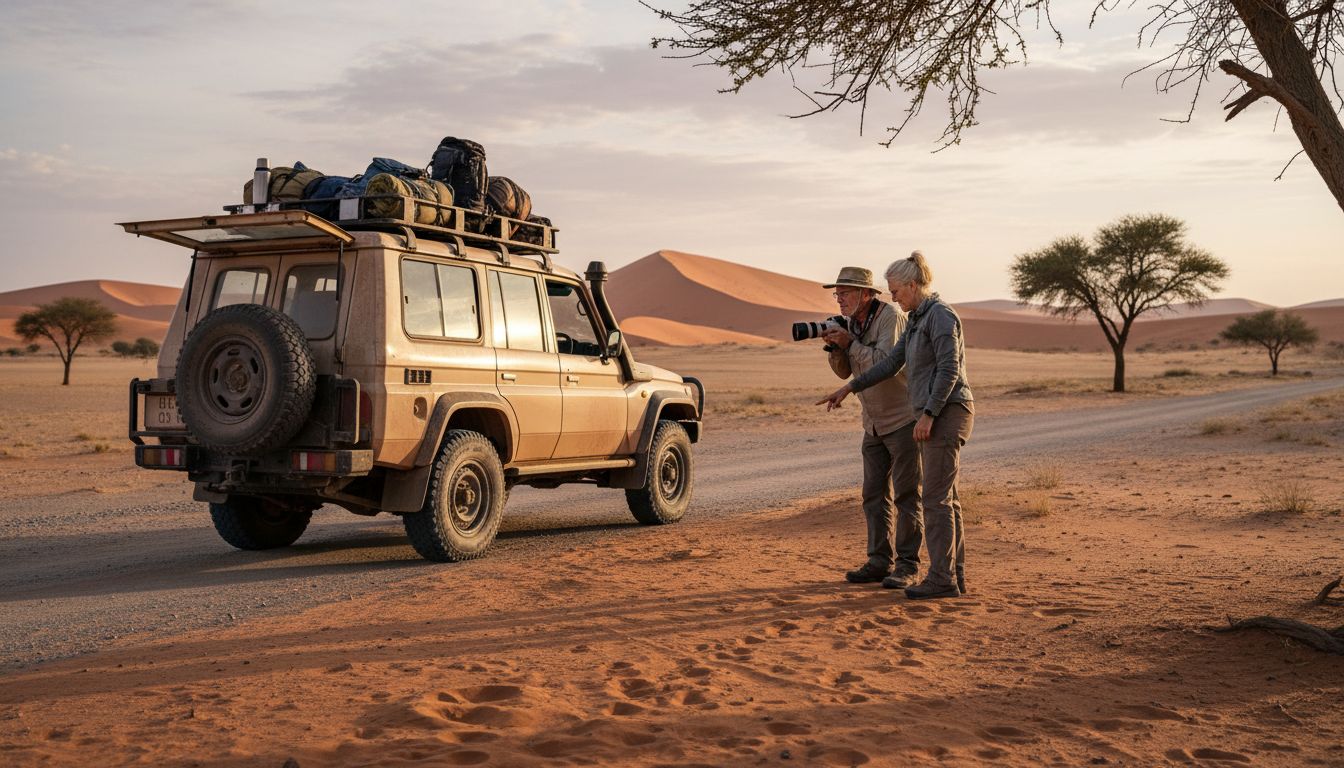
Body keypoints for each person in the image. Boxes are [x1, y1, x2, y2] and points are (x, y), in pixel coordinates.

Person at [817, 252, 974, 600]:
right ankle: (953, 576)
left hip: (943, 413)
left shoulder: (940, 315)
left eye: (896, 290)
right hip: (916, 415)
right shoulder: (918, 318)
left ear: (912, 285)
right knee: (945, 500)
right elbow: (888, 366)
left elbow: (949, 369)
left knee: (933, 500)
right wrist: (849, 386)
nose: (893, 296)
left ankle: (937, 577)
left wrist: (929, 414)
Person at [819, 267, 924, 588]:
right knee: (873, 495)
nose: (839, 300)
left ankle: (907, 565)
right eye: (837, 294)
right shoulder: (851, 323)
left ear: (867, 294)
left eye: (846, 293)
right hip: (874, 423)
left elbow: (886, 364)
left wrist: (850, 343)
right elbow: (843, 373)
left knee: (907, 496)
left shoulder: (890, 316)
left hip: (903, 419)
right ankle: (879, 561)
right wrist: (837, 347)